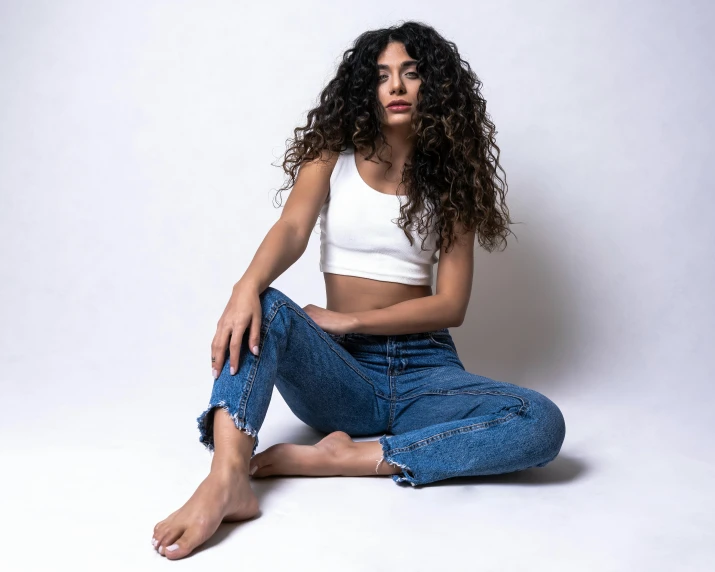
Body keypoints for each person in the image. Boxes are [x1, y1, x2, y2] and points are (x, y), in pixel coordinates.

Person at [151, 21, 566, 560]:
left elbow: (450, 306)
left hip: (426, 372)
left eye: (410, 73)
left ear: (432, 86)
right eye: (382, 76)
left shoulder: (454, 178)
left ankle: (354, 457)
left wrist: (351, 321)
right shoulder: (332, 154)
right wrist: (244, 287)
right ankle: (228, 476)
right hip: (342, 374)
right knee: (265, 307)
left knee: (540, 422)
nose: (396, 86)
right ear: (364, 89)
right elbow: (292, 229)